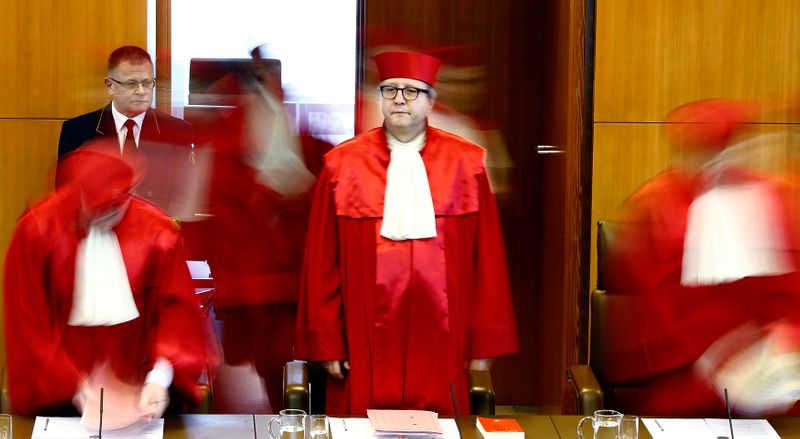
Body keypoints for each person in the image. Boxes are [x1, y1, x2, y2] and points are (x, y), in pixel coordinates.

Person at [294, 50, 519, 415]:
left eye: (412, 91)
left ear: (431, 100)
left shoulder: (467, 163)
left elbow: (488, 260)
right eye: (390, 90)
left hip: (442, 335)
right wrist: (327, 343)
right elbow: (322, 264)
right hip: (363, 341)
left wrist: (484, 341)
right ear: (379, 98)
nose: (400, 98)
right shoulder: (341, 166)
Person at [604, 99, 800, 416]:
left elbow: (789, 295)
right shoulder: (657, 206)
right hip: (685, 383)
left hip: (764, 386)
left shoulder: (767, 198)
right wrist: (714, 357)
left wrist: (777, 339)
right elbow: (648, 311)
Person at [4, 143, 209, 421]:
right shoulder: (36, 231)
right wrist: (76, 388)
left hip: (141, 390)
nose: (102, 218)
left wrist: (159, 378)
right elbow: (28, 326)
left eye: (112, 209)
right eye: (91, 209)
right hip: (59, 395)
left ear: (129, 195)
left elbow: (178, 314)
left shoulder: (158, 233)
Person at [206, 48, 331, 412]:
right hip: (257, 271)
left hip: (291, 272)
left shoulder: (295, 129)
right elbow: (225, 201)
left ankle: (298, 416)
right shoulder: (231, 135)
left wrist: (298, 191)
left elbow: (321, 169)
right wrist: (268, 195)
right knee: (270, 362)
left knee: (297, 358)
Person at [56, 45, 195, 218]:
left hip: (157, 234)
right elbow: (66, 197)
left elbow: (184, 196)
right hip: (98, 235)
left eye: (147, 82)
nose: (141, 91)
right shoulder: (78, 131)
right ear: (109, 85)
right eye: (131, 84)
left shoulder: (177, 132)